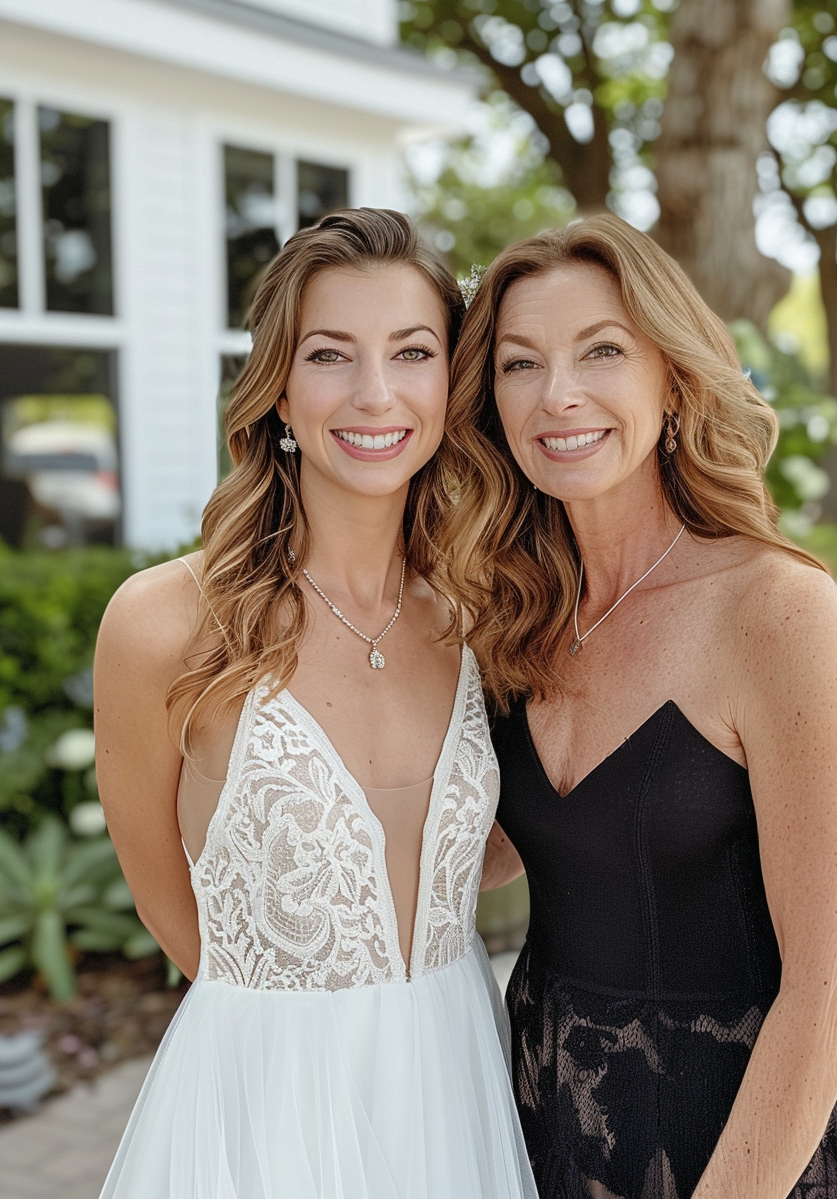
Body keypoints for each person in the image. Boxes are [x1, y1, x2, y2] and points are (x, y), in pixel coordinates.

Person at [93, 209, 536, 1199]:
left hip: (456, 1078)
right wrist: (288, 1025)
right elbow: (171, 904)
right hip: (260, 1105)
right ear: (279, 390)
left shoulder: (487, 614)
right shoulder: (165, 622)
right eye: (330, 354)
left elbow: (509, 836)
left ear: (449, 383)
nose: (374, 393)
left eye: (411, 352)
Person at [437, 215, 837, 1199]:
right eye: (519, 363)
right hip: (540, 1118)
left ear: (672, 377)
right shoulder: (509, 616)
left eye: (602, 349)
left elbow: (833, 987)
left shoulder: (773, 608)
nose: (558, 394)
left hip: (732, 1138)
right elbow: (483, 855)